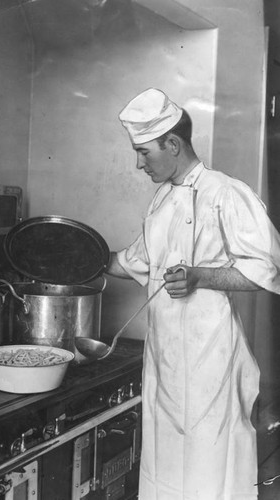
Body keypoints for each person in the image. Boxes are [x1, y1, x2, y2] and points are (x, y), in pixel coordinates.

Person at [106, 88, 280, 500]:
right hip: (165, 363)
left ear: (173, 144)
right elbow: (129, 263)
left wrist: (202, 276)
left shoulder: (226, 193)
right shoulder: (161, 201)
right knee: (164, 470)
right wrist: (68, 251)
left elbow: (268, 270)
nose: (138, 163)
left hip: (211, 364)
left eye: (144, 152)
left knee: (209, 473)